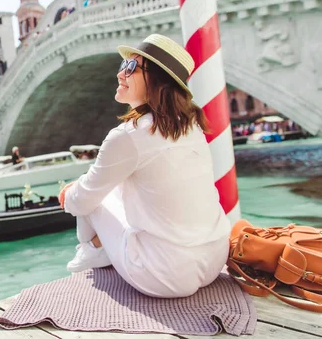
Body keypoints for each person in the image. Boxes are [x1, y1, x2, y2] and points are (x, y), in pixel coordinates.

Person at [58, 34, 231, 298]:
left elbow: (81, 203)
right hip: (215, 260)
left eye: (131, 67)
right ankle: (95, 250)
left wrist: (68, 194)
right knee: (112, 188)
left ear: (158, 80)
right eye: (122, 65)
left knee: (88, 194)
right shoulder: (192, 126)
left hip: (165, 276)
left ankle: (89, 253)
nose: (120, 74)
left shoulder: (128, 136)